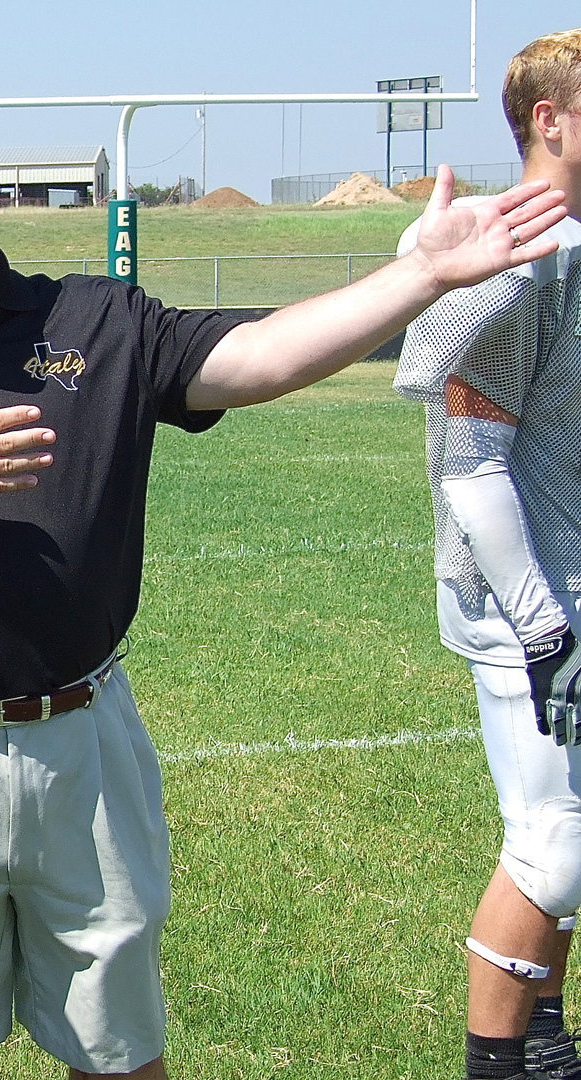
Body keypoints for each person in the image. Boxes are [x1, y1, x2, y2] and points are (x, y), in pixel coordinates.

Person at [0, 105, 566, 1080]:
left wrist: (418, 276)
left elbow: (258, 359)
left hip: (81, 744)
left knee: (118, 1054)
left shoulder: (93, 325)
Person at [395, 29, 581, 1080]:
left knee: (572, 834)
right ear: (546, 120)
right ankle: (497, 1061)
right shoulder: (520, 257)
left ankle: (545, 1040)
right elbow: (472, 466)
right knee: (554, 840)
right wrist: (546, 625)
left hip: (566, 583)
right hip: (525, 603)